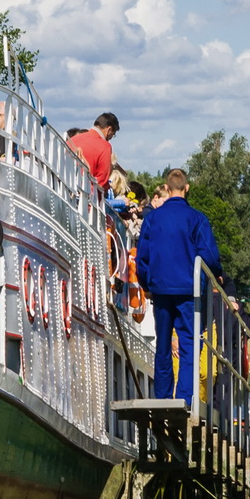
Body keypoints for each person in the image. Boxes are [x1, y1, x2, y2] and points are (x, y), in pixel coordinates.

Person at [134, 168, 222, 406]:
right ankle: (184, 398)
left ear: (167, 186)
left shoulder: (152, 219)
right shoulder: (197, 219)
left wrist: (146, 283)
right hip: (188, 291)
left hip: (160, 291)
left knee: (163, 345)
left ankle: (162, 397)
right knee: (189, 345)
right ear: (187, 188)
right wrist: (217, 275)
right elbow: (210, 257)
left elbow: (142, 257)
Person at [67, 113, 119, 188]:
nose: (110, 138)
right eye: (113, 135)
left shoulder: (72, 140)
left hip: (66, 188)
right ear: (109, 130)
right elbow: (102, 182)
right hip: (87, 194)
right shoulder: (105, 147)